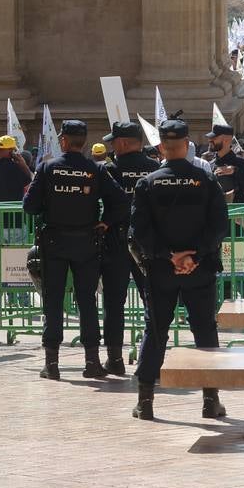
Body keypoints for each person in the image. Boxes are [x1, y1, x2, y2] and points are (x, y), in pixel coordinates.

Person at [129, 117, 230, 421]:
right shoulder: (207, 179)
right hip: (199, 270)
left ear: (161, 147)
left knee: (155, 331)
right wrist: (195, 256)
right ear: (186, 146)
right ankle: (210, 400)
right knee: (204, 332)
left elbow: (138, 233)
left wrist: (170, 256)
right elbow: (219, 226)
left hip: (161, 271)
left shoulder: (147, 183)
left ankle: (145, 401)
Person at [23, 120, 129, 381]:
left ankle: (52, 363)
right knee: (87, 302)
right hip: (86, 243)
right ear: (82, 141)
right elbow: (121, 202)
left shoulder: (48, 168)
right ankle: (92, 361)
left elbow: (30, 206)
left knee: (53, 301)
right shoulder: (95, 169)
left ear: (63, 141)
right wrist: (106, 222)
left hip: (55, 243)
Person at [99, 122, 160, 374]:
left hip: (116, 241)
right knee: (153, 301)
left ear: (124, 143)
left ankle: (115, 359)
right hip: (148, 242)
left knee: (114, 302)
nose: (112, 146)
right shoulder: (155, 169)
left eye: (114, 141)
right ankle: (152, 359)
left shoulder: (110, 170)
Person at [206, 123, 244, 204]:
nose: (210, 140)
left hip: (236, 213)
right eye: (210, 138)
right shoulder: (210, 164)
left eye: (214, 138)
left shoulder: (241, 162)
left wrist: (235, 171)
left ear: (227, 140)